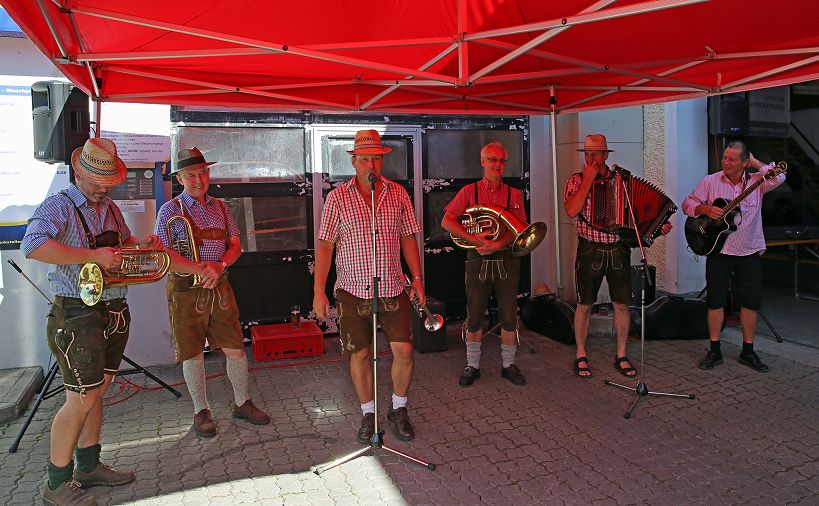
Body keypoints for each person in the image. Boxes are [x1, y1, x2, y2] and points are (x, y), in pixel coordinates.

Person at [22, 138, 202, 505]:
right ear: (79, 173)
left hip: (113, 310)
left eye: (108, 180)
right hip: (77, 313)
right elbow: (33, 245)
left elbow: (124, 244)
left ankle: (88, 465)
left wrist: (142, 245)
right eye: (98, 180)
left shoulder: (110, 208)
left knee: (96, 393)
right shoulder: (59, 206)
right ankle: (56, 483)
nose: (105, 186)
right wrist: (92, 256)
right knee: (79, 399)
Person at [313, 130, 425, 443]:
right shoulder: (337, 197)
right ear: (354, 162)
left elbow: (408, 237)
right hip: (351, 288)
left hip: (391, 284)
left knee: (403, 350)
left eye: (376, 157)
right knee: (360, 354)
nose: (371, 163)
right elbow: (324, 246)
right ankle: (368, 412)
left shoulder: (398, 194)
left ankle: (398, 408)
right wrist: (318, 291)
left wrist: (416, 279)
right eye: (365, 158)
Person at [155, 147, 270, 438]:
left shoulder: (220, 207)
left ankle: (242, 402)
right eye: (191, 174)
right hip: (184, 291)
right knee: (192, 353)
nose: (198, 179)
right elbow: (163, 253)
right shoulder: (169, 211)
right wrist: (198, 270)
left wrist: (218, 266)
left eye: (203, 172)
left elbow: (236, 246)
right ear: (180, 178)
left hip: (219, 286)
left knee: (234, 347)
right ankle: (201, 410)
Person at [563, 134, 672, 379]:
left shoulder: (622, 180)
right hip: (589, 249)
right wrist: (588, 180)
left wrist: (656, 228)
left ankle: (621, 354)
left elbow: (635, 218)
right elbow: (571, 210)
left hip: (618, 250)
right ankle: (581, 354)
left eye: (595, 153)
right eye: (586, 153)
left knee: (621, 306)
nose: (590, 158)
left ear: (605, 155)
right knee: (584, 305)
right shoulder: (576, 180)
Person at [682, 141, 785, 372]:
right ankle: (715, 350)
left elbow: (780, 177)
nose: (726, 163)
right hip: (719, 252)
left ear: (744, 163)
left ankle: (748, 352)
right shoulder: (710, 181)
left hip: (748, 251)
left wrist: (757, 162)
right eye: (724, 158)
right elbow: (687, 203)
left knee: (750, 303)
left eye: (732, 159)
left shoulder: (758, 182)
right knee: (715, 301)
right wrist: (705, 210)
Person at [441, 141, 527, 387]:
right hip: (477, 257)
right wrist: (474, 239)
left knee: (510, 314)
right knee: (475, 313)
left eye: (501, 161)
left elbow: (520, 228)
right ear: (482, 161)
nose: (497, 165)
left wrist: (499, 244)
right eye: (492, 160)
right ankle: (473, 365)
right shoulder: (470, 192)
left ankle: (509, 365)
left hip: (507, 258)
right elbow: (447, 221)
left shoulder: (514, 194)